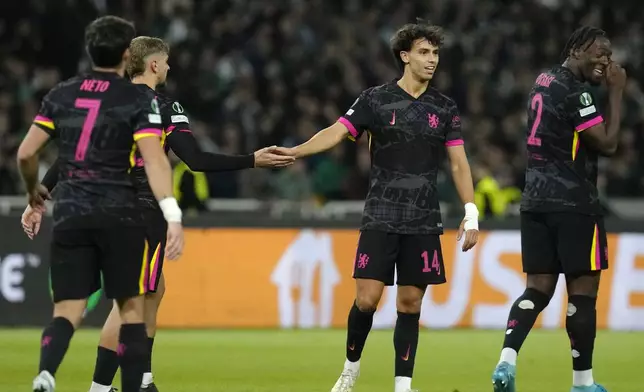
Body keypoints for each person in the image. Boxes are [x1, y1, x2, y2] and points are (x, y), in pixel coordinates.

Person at [22, 36, 295, 392]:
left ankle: (143, 379)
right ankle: (103, 388)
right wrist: (251, 160)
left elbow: (68, 156)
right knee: (131, 301)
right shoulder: (162, 106)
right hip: (142, 211)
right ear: (152, 64)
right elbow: (195, 159)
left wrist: (38, 197)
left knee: (154, 289)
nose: (168, 67)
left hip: (100, 206)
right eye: (165, 61)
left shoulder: (109, 102)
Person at [275, 21, 479, 392]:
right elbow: (337, 131)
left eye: (435, 53)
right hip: (381, 214)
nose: (431, 60)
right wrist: (297, 151)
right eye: (423, 52)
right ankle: (351, 369)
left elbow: (459, 163)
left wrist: (471, 211)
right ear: (405, 56)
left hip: (423, 218)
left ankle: (403, 385)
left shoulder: (445, 108)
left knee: (410, 303)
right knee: (367, 300)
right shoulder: (375, 99)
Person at [17, 16, 185, 392]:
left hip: (71, 213)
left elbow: (28, 153)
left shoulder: (63, 93)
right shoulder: (134, 99)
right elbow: (155, 160)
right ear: (127, 54)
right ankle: (127, 387)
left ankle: (46, 373)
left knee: (68, 311)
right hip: (120, 213)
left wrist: (35, 197)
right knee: (131, 310)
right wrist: (171, 213)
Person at [491, 26, 625, 392]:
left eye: (610, 55)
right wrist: (616, 92)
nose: (606, 60)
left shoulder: (543, 80)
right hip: (575, 203)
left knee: (536, 289)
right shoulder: (576, 92)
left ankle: (506, 360)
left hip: (534, 200)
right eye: (600, 52)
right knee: (582, 293)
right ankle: (583, 384)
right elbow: (608, 144)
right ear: (577, 49)